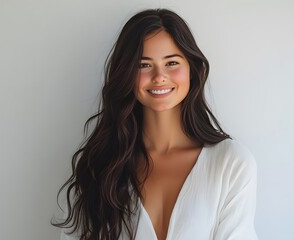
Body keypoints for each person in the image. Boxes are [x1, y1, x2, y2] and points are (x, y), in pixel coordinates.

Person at [53, 8, 257, 240]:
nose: (159, 76)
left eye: (171, 63)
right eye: (144, 65)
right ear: (127, 74)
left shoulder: (231, 163)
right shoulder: (99, 163)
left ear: (192, 69)